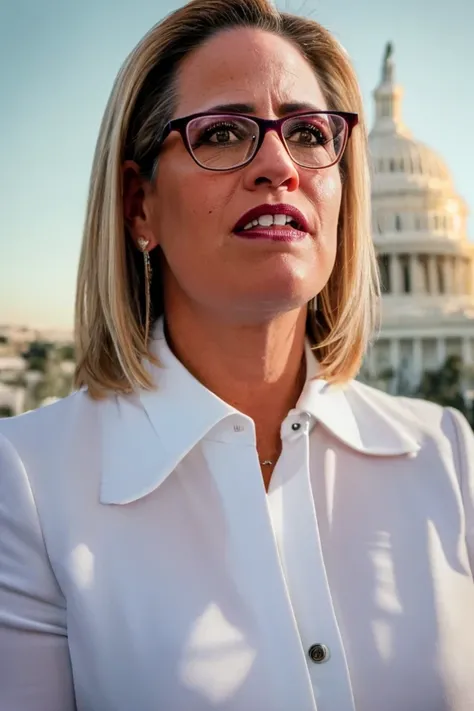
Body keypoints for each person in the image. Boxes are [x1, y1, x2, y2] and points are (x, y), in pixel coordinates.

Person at [1, 0, 474, 709]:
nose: (278, 165)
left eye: (310, 133)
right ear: (139, 205)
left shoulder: (449, 459)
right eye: (223, 133)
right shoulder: (27, 485)